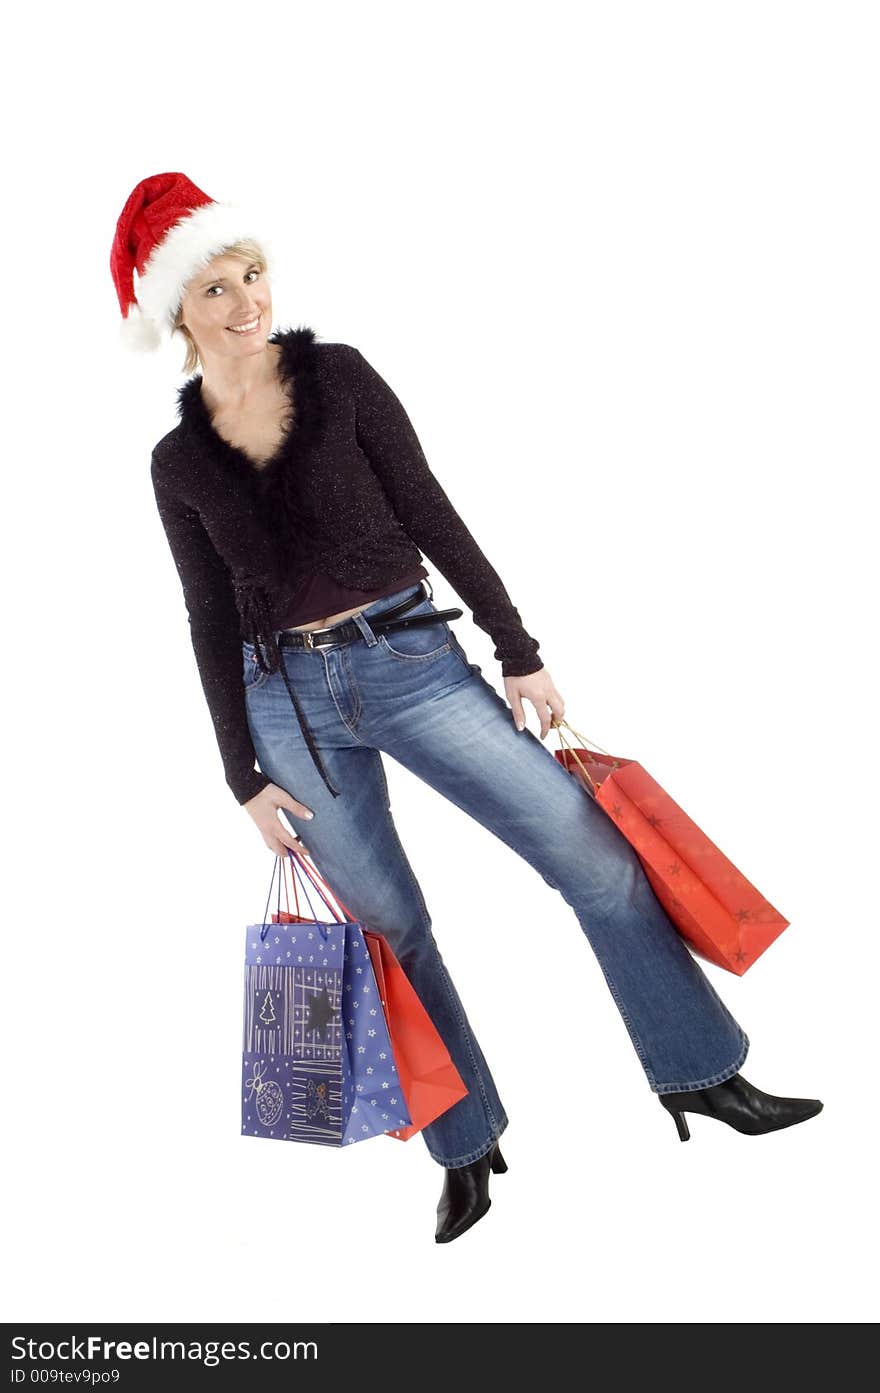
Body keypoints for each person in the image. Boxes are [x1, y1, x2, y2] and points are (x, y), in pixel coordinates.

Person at [112, 172, 823, 1244]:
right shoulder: (175, 463)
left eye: (252, 273)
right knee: (393, 931)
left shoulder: (339, 379)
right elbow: (206, 616)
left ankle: (697, 1074)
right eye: (215, 288)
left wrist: (518, 650)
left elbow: (429, 508)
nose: (246, 300)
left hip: (412, 662)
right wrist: (239, 774)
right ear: (177, 311)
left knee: (594, 862)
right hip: (288, 710)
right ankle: (466, 1145)